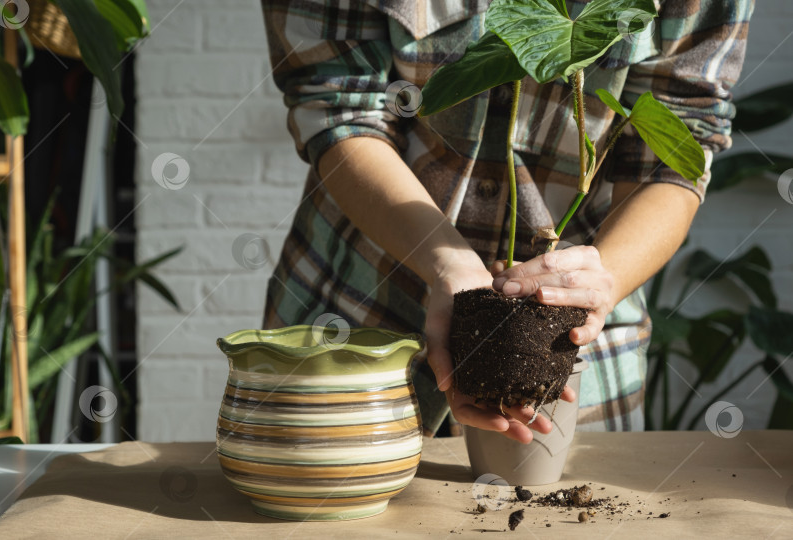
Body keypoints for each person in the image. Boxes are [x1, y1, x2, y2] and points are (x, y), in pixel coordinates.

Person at [259, 0, 754, 442]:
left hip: (578, 337)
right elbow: (338, 106)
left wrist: (602, 279)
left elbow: (681, 140)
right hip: (362, 308)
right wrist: (447, 263)